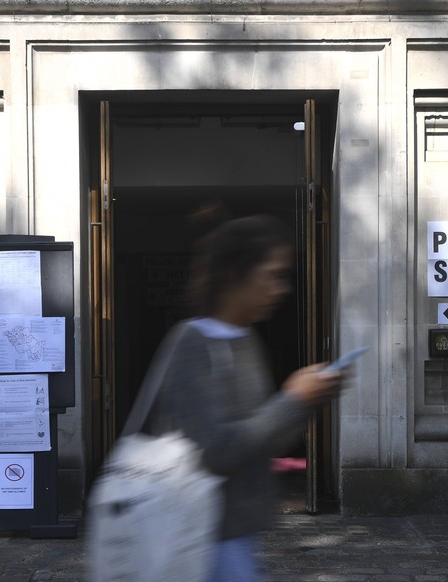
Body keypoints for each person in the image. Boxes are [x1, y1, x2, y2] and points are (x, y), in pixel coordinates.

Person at [145, 214, 344, 582]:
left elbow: (263, 440)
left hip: (238, 531)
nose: (281, 288)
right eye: (272, 274)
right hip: (202, 534)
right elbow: (217, 451)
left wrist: (308, 399)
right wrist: (291, 399)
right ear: (235, 275)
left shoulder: (246, 340)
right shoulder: (190, 343)